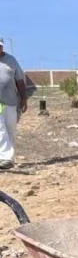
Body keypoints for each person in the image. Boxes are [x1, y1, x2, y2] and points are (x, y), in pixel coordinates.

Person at [0, 38, 27, 170]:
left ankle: (9, 159)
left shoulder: (11, 60)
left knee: (10, 130)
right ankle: (5, 157)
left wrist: (24, 99)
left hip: (11, 102)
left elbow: (20, 80)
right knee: (0, 129)